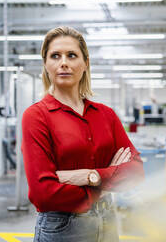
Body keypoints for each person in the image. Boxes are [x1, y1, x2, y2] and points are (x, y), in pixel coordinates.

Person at [21, 26, 145, 242]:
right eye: (55, 56)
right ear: (46, 64)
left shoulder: (105, 115)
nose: (64, 63)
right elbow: (43, 193)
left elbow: (135, 172)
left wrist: (90, 176)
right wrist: (105, 183)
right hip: (62, 226)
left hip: (107, 221)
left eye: (72, 55)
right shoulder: (36, 116)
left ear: (85, 63)